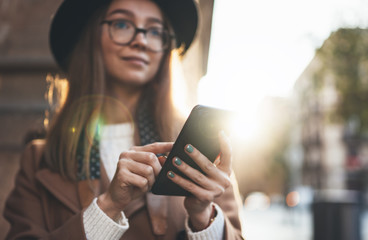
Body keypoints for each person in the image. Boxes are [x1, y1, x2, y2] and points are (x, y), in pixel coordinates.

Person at [3, 0, 244, 239]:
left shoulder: (198, 146)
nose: (141, 40)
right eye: (121, 24)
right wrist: (109, 206)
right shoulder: (39, 159)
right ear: (91, 38)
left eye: (154, 30)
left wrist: (204, 217)